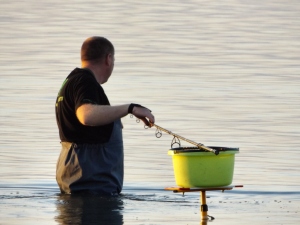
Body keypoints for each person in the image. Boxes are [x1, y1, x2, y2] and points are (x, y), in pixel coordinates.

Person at [55, 36, 155, 196]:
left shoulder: (71, 81)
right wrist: (130, 108)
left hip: (74, 180)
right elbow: (86, 115)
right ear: (108, 59)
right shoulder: (85, 82)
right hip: (92, 186)